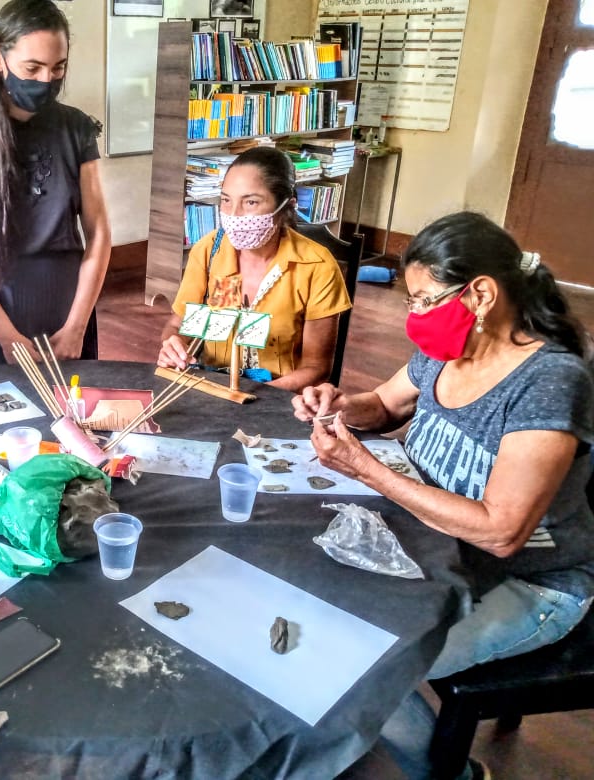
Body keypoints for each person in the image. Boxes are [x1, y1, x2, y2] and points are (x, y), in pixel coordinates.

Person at [292, 212, 594, 780]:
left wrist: (366, 469)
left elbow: (502, 531)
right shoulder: (448, 348)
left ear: (480, 294)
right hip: (435, 551)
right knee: (312, 611)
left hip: (530, 582)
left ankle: (450, 772)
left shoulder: (549, 382)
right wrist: (339, 406)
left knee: (353, 668)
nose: (414, 315)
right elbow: (383, 405)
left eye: (424, 299)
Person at [0, 0, 112, 370]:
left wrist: (77, 326)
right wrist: (4, 333)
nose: (47, 80)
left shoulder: (76, 129)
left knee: (74, 414)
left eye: (57, 67)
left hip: (67, 301)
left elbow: (98, 235)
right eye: (33, 68)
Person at [157, 146, 352, 392]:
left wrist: (257, 398)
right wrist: (172, 344)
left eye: (250, 202)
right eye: (226, 200)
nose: (234, 215)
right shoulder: (208, 253)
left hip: (279, 397)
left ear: (285, 206)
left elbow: (317, 368)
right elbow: (177, 325)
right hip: (211, 388)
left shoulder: (317, 267)